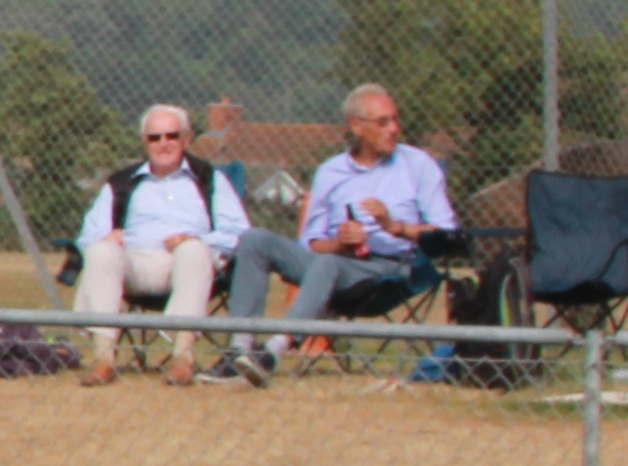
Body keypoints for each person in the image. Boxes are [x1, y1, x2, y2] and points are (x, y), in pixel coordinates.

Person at [216, 83, 456, 379]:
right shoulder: (330, 172)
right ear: (357, 126)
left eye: (395, 119)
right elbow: (312, 245)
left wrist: (396, 227)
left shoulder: (417, 164)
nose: (394, 128)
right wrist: (341, 243)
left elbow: (446, 233)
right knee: (255, 239)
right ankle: (238, 352)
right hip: (333, 262)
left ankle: (274, 352)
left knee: (328, 264)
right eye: (383, 122)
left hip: (389, 270)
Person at [68, 104, 246, 384]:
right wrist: (108, 238)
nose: (164, 144)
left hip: (189, 266)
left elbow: (237, 231)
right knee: (101, 251)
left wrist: (196, 239)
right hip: (136, 263)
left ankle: (182, 357)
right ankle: (103, 360)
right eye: (155, 137)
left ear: (186, 139)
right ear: (144, 142)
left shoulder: (209, 178)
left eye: (172, 136)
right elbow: (87, 237)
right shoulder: (121, 183)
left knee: (194, 250)